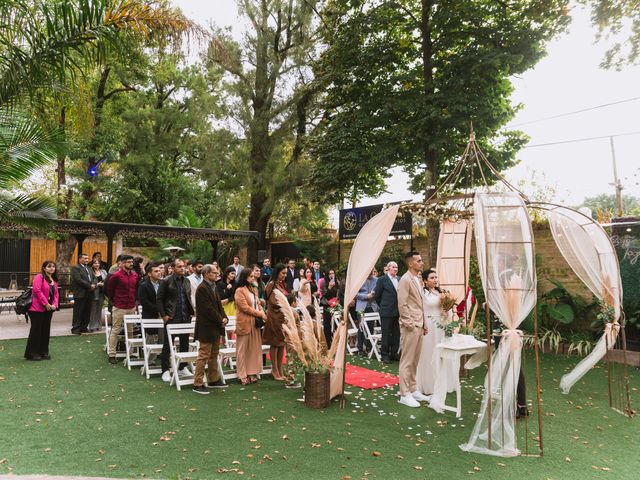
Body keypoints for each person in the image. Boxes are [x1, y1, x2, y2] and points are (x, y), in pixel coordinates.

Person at [416, 269, 457, 397]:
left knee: (442, 353)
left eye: (436, 277)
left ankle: (445, 383)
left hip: (441, 325)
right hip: (429, 325)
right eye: (432, 278)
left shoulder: (441, 292)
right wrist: (423, 324)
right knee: (429, 353)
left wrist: (447, 313)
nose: (435, 280)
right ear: (425, 280)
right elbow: (420, 310)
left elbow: (447, 308)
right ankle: (429, 385)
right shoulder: (422, 293)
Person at [397, 251, 431, 408]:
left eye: (421, 260)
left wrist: (424, 324)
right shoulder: (405, 279)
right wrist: (409, 323)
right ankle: (404, 394)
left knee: (415, 360)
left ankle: (413, 389)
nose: (422, 263)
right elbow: (402, 303)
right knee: (407, 360)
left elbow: (421, 303)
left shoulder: (417, 279)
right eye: (418, 261)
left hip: (419, 324)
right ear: (410, 263)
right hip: (410, 326)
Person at [192, 264, 229, 394]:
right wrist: (221, 319)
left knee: (214, 354)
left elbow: (219, 307)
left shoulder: (213, 287)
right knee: (203, 355)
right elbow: (207, 309)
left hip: (215, 327)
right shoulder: (202, 288)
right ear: (206, 274)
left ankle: (213, 379)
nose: (217, 274)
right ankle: (198, 383)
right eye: (214, 272)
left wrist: (225, 318)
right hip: (206, 327)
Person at [157, 258, 194, 381]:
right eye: (179, 266)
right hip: (172, 316)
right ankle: (165, 370)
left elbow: (188, 298)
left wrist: (191, 313)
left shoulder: (187, 281)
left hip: (185, 316)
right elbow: (159, 299)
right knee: (168, 344)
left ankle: (182, 368)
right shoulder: (166, 281)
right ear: (173, 268)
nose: (182, 268)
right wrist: (164, 315)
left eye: (183, 266)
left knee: (185, 343)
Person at [234, 267, 266, 385]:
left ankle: (252, 372)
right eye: (251, 276)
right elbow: (245, 308)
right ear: (245, 277)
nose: (253, 278)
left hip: (255, 323)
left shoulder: (254, 289)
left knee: (254, 348)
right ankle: (242, 374)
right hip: (244, 322)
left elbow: (257, 303)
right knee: (242, 350)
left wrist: (262, 310)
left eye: (254, 276)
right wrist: (260, 314)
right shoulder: (239, 291)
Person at [105, 255, 138, 364]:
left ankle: (131, 353)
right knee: (115, 330)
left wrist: (135, 302)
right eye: (128, 262)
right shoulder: (115, 276)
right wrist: (115, 301)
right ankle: (112, 354)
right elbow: (109, 291)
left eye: (131, 262)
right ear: (122, 263)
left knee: (130, 331)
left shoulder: (134, 275)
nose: (131, 264)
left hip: (131, 307)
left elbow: (136, 289)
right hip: (119, 306)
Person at [25, 261, 59, 361]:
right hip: (36, 309)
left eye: (53, 266)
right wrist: (46, 304)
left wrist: (54, 305)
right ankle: (32, 353)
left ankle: (43, 352)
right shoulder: (39, 277)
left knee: (45, 330)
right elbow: (37, 291)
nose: (52, 268)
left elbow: (56, 294)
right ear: (44, 268)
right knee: (36, 331)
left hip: (49, 310)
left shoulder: (54, 280)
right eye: (49, 266)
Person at [262, 263, 289, 382]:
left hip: (282, 318)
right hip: (274, 318)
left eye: (286, 273)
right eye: (283, 273)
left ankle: (280, 369)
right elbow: (273, 302)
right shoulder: (271, 285)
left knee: (281, 344)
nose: (284, 275)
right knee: (275, 344)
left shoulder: (280, 284)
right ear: (277, 272)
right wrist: (287, 305)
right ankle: (274, 370)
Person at [375, 261, 400, 363]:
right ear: (388, 268)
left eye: (396, 267)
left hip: (398, 311)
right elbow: (377, 295)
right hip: (386, 311)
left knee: (396, 334)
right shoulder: (382, 279)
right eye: (393, 267)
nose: (395, 269)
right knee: (385, 333)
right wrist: (383, 306)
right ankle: (384, 354)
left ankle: (394, 353)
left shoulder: (400, 279)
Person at [138, 262, 163, 363]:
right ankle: (149, 360)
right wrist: (158, 309)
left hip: (162, 316)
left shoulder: (163, 284)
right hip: (150, 315)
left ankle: (164, 357)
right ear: (149, 273)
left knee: (163, 337)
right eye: (156, 271)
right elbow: (144, 302)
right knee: (151, 338)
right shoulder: (144, 285)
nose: (159, 272)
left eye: (159, 270)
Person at [355, 270, 379, 355]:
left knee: (371, 327)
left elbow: (379, 292)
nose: (371, 272)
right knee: (361, 328)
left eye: (372, 270)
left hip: (372, 306)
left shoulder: (377, 280)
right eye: (369, 271)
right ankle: (360, 348)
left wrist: (374, 294)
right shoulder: (359, 280)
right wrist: (366, 296)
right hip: (362, 306)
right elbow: (355, 294)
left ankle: (369, 347)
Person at [70, 253, 94, 335]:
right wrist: (89, 285)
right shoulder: (76, 268)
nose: (87, 260)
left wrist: (94, 284)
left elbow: (93, 278)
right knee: (78, 311)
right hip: (80, 293)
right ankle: (76, 328)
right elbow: (78, 279)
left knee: (87, 311)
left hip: (89, 293)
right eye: (85, 258)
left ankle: (84, 327)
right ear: (80, 259)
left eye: (87, 258)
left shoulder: (89, 268)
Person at [320, 268, 340, 348]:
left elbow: (337, 293)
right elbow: (325, 295)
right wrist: (329, 287)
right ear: (327, 275)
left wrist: (337, 299)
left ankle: (335, 342)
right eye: (330, 274)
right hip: (327, 305)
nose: (332, 275)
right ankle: (328, 343)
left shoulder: (336, 282)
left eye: (333, 273)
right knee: (327, 324)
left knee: (336, 323)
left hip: (335, 304)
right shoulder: (324, 282)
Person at [88, 258, 107, 332]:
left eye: (98, 263)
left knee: (99, 310)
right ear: (92, 264)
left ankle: (98, 325)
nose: (97, 264)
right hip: (93, 293)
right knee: (93, 310)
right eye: (95, 263)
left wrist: (104, 284)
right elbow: (89, 283)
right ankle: (92, 326)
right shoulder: (90, 272)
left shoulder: (103, 271)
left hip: (102, 293)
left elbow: (108, 280)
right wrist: (98, 284)